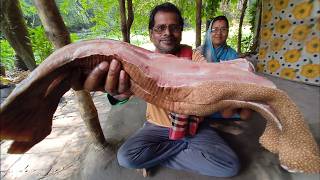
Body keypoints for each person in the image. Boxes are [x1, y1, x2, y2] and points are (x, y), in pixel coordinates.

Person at [83, 3, 249, 177]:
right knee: (126, 157)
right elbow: (119, 95)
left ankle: (156, 156)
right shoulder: (142, 62)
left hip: (194, 128)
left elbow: (208, 75)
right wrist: (118, 94)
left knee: (229, 166)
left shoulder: (194, 56)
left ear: (181, 32)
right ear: (151, 33)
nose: (167, 33)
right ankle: (176, 149)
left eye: (174, 28)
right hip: (156, 127)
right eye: (160, 28)